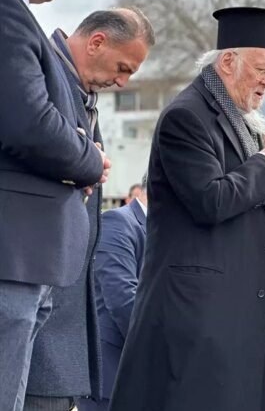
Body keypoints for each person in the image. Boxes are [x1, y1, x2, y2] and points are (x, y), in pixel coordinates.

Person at [109, 7, 265, 411]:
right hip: (201, 313)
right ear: (228, 62)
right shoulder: (187, 117)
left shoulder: (244, 122)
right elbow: (210, 200)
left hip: (239, 312)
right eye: (263, 68)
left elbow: (252, 197)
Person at [20, 8, 153, 411]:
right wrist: (85, 160)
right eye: (122, 67)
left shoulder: (78, 89)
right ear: (96, 42)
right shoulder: (41, 71)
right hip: (40, 303)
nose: (122, 81)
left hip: (60, 326)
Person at [0, 0, 108, 410]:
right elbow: (32, 123)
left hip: (29, 256)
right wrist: (89, 158)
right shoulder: (7, 9)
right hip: (15, 253)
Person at [75, 173, 148, 411]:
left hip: (135, 379)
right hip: (110, 377)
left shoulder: (162, 233)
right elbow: (122, 297)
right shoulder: (119, 221)